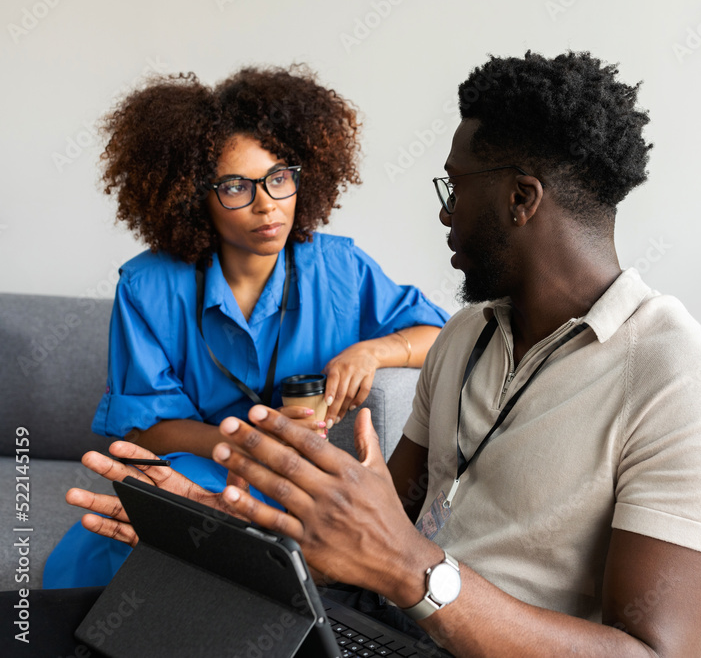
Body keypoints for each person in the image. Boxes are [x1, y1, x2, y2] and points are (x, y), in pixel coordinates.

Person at [67, 51, 701, 656]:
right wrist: (224, 533)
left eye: (455, 188)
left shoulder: (686, 388)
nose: (443, 213)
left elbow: (653, 653)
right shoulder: (465, 337)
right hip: (368, 626)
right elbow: (369, 539)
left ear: (521, 199)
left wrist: (416, 574)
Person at [44, 65, 449, 589]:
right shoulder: (145, 287)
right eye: (236, 186)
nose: (267, 205)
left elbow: (441, 337)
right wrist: (255, 446)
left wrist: (374, 351)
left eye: (280, 178)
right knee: (106, 554)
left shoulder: (340, 267)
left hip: (304, 482)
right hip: (199, 466)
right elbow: (148, 425)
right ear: (195, 197)